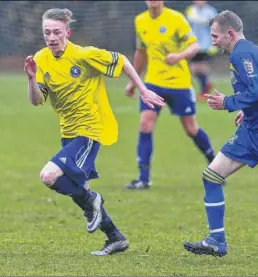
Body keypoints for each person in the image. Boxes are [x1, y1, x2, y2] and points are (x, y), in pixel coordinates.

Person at [24, 8, 165, 256]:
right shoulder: (41, 59)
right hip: (68, 132)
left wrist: (142, 89)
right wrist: (31, 79)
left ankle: (93, 202)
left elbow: (122, 61)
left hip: (90, 129)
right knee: (82, 191)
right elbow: (37, 101)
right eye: (47, 32)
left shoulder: (83, 55)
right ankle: (115, 237)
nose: (52, 37)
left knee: (49, 175)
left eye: (57, 32)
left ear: (67, 32)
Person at [183, 10, 258, 257]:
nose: (212, 41)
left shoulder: (244, 53)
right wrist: (248, 111)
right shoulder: (248, 52)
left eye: (215, 36)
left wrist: (229, 102)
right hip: (250, 131)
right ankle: (216, 241)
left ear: (230, 34)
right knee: (211, 176)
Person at [124, 0, 216, 190]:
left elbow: (194, 46)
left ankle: (216, 166)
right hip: (153, 83)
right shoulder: (140, 20)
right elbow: (141, 53)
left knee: (191, 129)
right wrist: (134, 82)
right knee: (145, 123)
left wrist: (179, 56)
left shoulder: (175, 18)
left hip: (179, 83)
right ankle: (143, 178)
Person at [185, 1, 218, 101]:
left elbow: (215, 27)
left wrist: (215, 42)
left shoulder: (211, 11)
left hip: (206, 44)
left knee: (201, 67)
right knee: (194, 69)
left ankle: (204, 91)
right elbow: (186, 26)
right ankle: (206, 84)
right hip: (193, 43)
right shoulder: (190, 10)